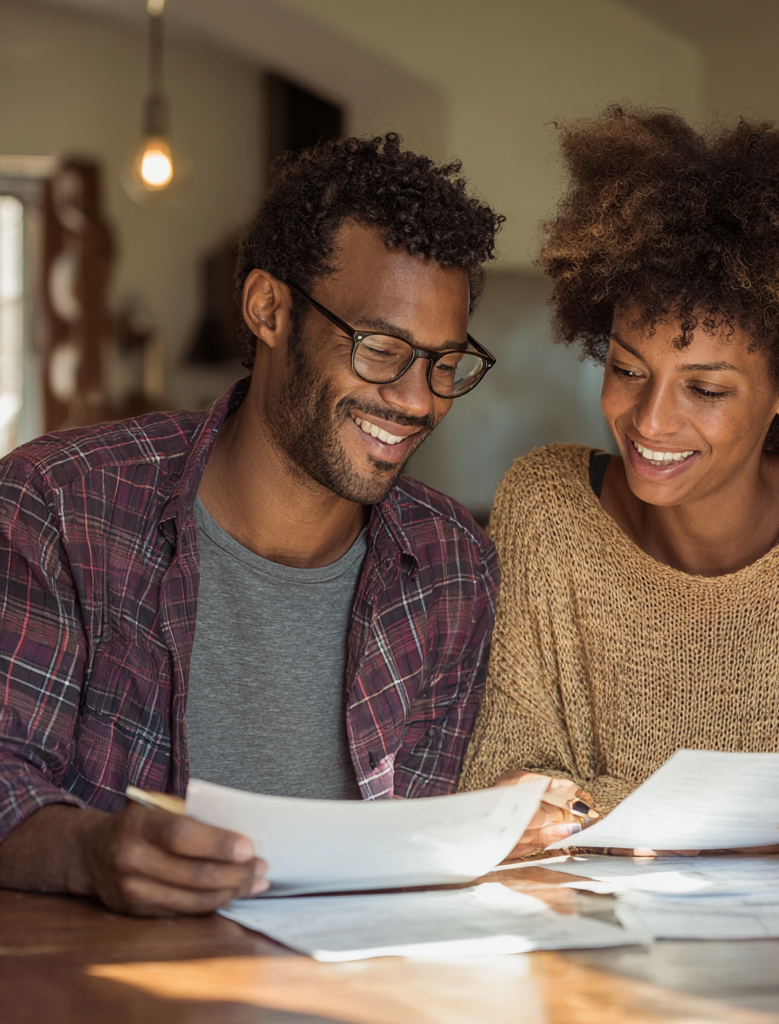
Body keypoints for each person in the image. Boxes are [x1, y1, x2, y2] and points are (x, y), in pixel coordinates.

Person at [0, 134, 506, 916]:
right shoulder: (63, 504)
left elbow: (419, 846)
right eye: (381, 348)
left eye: (444, 363)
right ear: (269, 309)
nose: (418, 401)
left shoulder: (451, 566)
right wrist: (91, 853)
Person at [459, 107, 779, 865]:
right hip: (602, 959)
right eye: (628, 370)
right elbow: (507, 779)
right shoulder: (548, 506)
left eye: (707, 389)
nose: (651, 421)